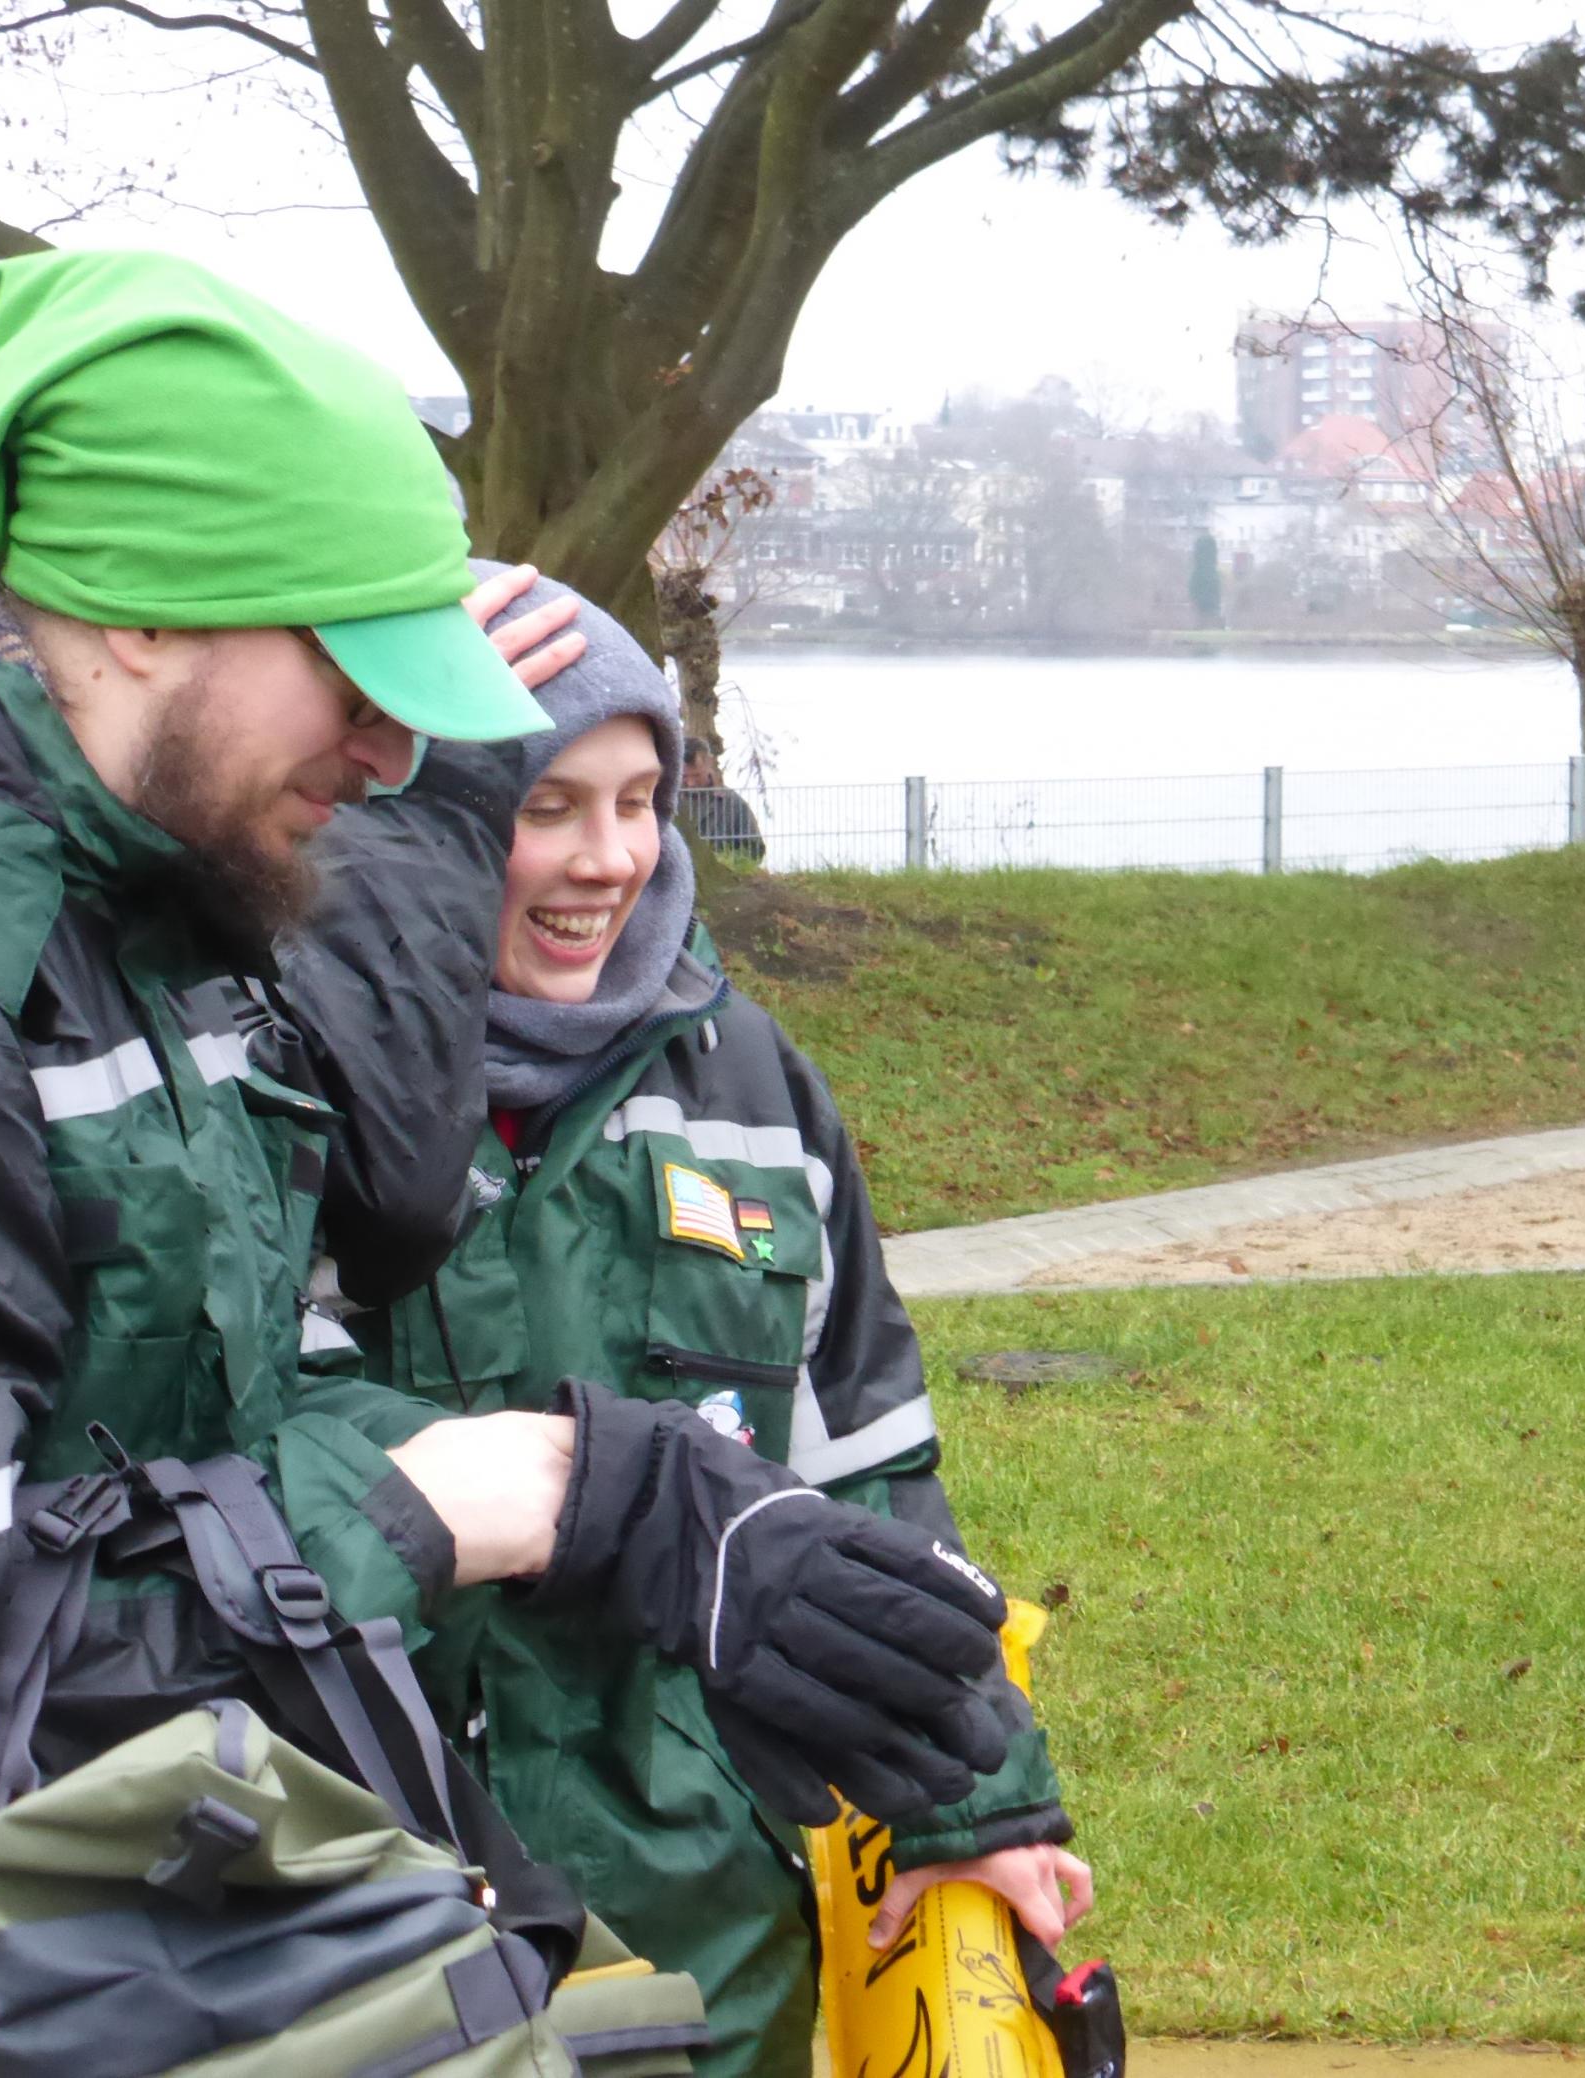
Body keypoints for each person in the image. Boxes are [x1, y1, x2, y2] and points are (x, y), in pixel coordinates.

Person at [0, 251, 1008, 2019]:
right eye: (356, 669)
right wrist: (488, 1498)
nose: (403, 752)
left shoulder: (151, 935)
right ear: (141, 613)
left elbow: (230, 1420)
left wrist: (654, 1496)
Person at [329, 570, 1089, 2076]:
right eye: (547, 804)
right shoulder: (291, 1066)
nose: (606, 858)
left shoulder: (751, 1080)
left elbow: (870, 1479)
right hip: (372, 1908)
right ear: (432, 805)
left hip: (708, 1915)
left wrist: (972, 1804)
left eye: (641, 799)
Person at [678, 734, 765, 862]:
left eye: (697, 775)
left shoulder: (733, 804)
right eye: (684, 777)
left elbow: (755, 849)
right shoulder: (662, 801)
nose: (691, 783)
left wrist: (728, 862)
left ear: (709, 763)